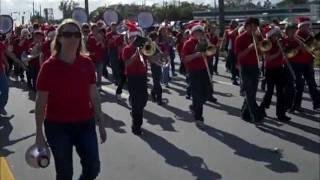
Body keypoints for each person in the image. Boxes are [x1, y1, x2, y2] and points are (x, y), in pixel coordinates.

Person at [35, 19, 107, 180]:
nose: (73, 38)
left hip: (85, 124)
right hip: (58, 126)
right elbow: (40, 102)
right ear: (59, 38)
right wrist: (39, 133)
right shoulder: (48, 67)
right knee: (65, 173)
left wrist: (101, 122)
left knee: (93, 168)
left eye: (76, 35)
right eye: (67, 34)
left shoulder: (87, 63)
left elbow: (94, 94)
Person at [182, 22, 212, 127]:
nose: (200, 34)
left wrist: (208, 48)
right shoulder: (188, 43)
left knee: (206, 94)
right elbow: (185, 58)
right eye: (198, 32)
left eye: (201, 32)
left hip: (204, 70)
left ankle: (195, 106)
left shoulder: (205, 42)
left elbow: (211, 52)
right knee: (197, 95)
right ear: (193, 33)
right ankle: (199, 118)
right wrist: (197, 54)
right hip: (194, 72)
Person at [259, 25, 291, 122]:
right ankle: (262, 108)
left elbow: (286, 55)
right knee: (270, 92)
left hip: (279, 68)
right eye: (275, 35)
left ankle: (281, 114)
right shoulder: (266, 43)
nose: (278, 36)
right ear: (271, 35)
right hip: (270, 70)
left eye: (278, 34)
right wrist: (279, 52)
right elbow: (268, 58)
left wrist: (284, 53)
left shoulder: (280, 43)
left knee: (281, 92)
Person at [235, 17, 264, 123]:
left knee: (252, 93)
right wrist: (249, 48)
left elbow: (261, 52)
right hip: (245, 68)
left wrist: (258, 44)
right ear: (246, 26)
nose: (253, 28)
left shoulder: (257, 37)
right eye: (250, 26)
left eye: (255, 26)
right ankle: (256, 116)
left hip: (255, 67)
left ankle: (244, 113)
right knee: (249, 93)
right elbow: (239, 56)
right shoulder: (240, 38)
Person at [122, 22, 148, 135]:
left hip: (142, 76)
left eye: (136, 37)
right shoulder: (127, 49)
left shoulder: (143, 48)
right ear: (129, 37)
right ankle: (136, 126)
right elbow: (127, 64)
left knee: (143, 100)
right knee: (137, 103)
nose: (134, 39)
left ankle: (134, 111)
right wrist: (135, 55)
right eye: (132, 37)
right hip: (132, 77)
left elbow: (150, 59)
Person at [290, 17, 320, 111]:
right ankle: (296, 105)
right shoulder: (296, 35)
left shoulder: (308, 34)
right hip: (297, 64)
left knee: (312, 84)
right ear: (301, 26)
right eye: (306, 25)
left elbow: (314, 47)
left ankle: (317, 104)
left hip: (308, 62)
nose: (308, 27)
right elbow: (302, 51)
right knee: (300, 86)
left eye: (308, 25)